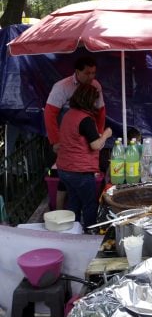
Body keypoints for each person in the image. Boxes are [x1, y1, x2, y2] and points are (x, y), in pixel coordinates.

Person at [45, 56, 106, 209]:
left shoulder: (96, 85)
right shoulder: (62, 87)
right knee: (64, 177)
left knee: (74, 178)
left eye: (93, 73)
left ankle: (73, 214)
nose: (91, 77)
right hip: (64, 138)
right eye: (87, 73)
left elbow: (101, 112)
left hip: (85, 136)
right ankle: (59, 211)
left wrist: (97, 133)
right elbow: (50, 114)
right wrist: (55, 141)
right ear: (77, 72)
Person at [56, 83, 112, 229]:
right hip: (79, 171)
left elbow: (77, 137)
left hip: (64, 169)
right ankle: (89, 232)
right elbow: (95, 145)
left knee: (74, 201)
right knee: (89, 204)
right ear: (88, 100)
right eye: (94, 100)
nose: (95, 103)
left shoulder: (68, 115)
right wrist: (106, 134)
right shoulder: (85, 119)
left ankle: (73, 231)